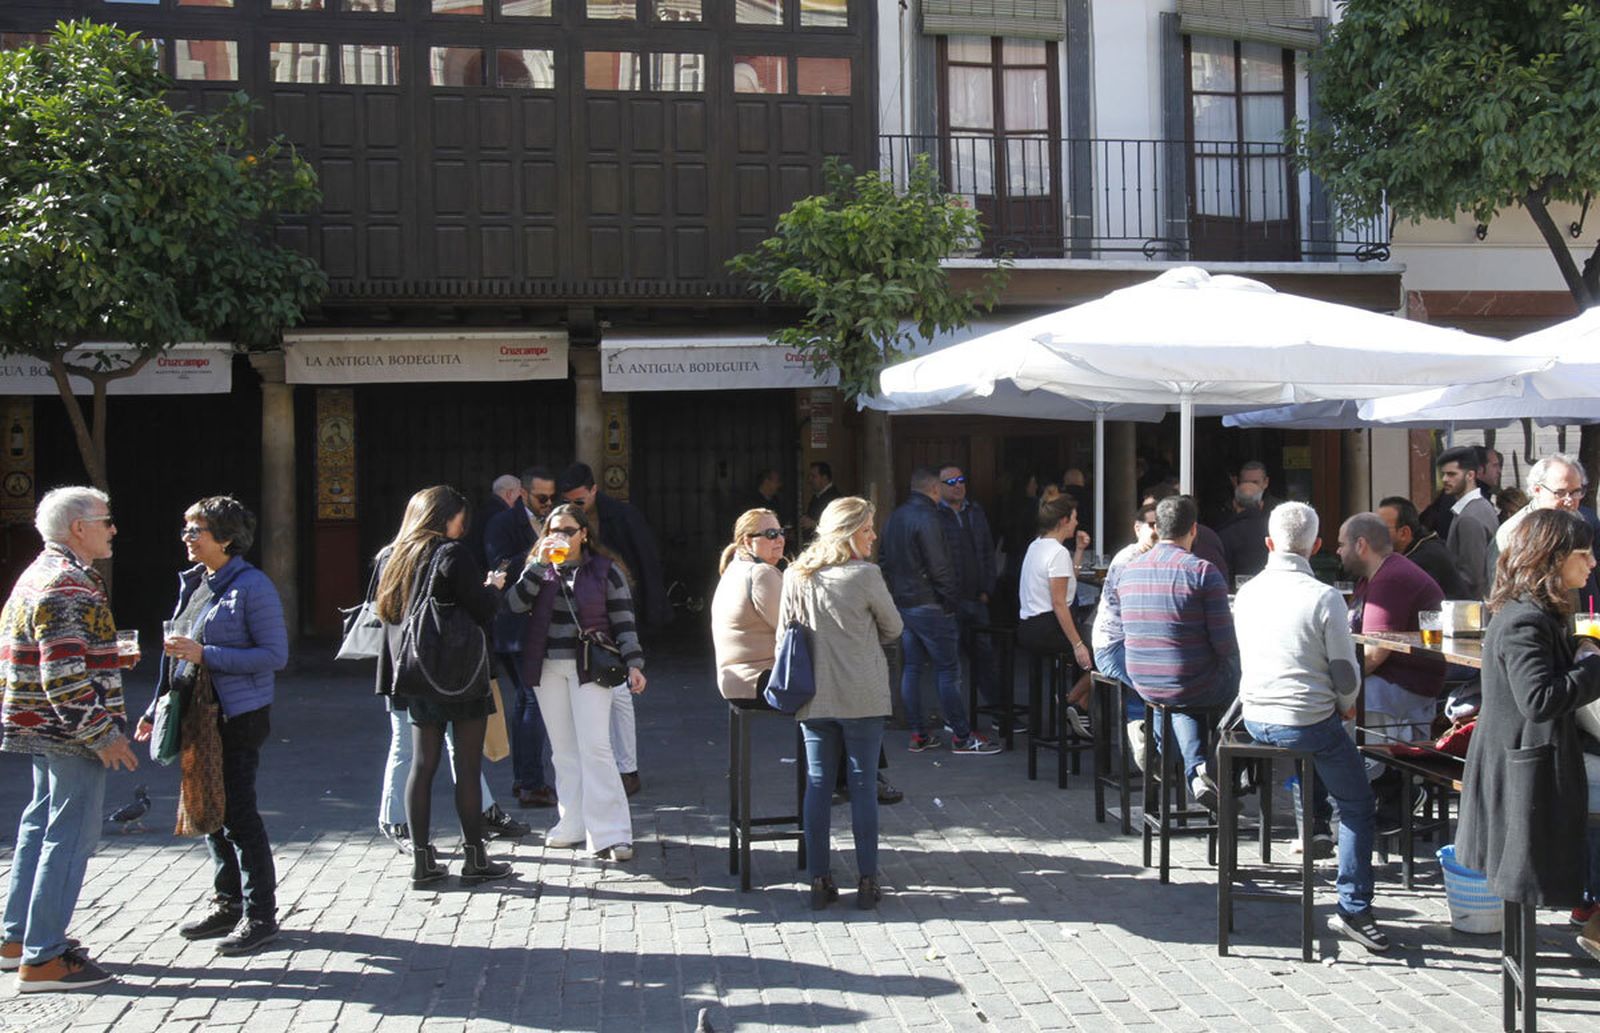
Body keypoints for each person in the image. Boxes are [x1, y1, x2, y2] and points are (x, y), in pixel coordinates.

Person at [131, 497, 288, 954]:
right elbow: (174, 653)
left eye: (195, 530)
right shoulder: (198, 583)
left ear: (225, 538)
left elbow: (274, 656)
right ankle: (228, 903)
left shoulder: (253, 587)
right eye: (185, 529)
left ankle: (261, 915)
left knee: (238, 814)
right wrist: (155, 707)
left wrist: (207, 656)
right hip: (196, 714)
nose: (186, 538)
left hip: (236, 716)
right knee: (209, 814)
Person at [1233, 502, 1387, 953]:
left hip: (1257, 716)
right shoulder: (1323, 597)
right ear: (1316, 546)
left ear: (1268, 544)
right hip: (1307, 720)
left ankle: (1308, 827)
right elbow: (1344, 674)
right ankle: (1354, 907)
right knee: (1357, 806)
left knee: (1316, 753)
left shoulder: (1247, 593)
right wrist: (1347, 705)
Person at [2, 487, 138, 992]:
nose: (113, 529)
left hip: (36, 725)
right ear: (78, 527)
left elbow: (52, 657)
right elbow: (62, 675)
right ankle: (44, 959)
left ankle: (18, 938)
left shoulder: (37, 572)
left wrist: (106, 659)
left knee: (40, 826)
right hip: (68, 730)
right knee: (68, 835)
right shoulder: (67, 583)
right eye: (106, 520)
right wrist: (103, 734)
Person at [1458, 509, 1600, 955]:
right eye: (1584, 554)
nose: (1592, 563)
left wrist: (1578, 650)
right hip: (1524, 779)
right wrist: (1594, 667)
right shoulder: (1525, 619)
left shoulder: (1537, 613)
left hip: (1528, 766)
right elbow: (1538, 699)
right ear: (1554, 559)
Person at [712, 510, 902, 805]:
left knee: (833, 681)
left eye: (781, 532)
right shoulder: (761, 574)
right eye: (770, 535)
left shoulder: (735, 570)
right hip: (760, 681)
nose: (779, 540)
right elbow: (797, 629)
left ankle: (849, 776)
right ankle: (853, 779)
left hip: (740, 680)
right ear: (747, 541)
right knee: (843, 684)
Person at [373, 486, 513, 888]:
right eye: (459, 517)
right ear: (444, 517)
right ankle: (474, 857)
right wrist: (494, 587)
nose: (462, 525)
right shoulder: (451, 553)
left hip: (417, 672)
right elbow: (482, 608)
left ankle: (422, 860)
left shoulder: (393, 555)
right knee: (467, 765)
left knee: (421, 764)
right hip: (459, 673)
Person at [779, 497, 903, 910]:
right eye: (867, 528)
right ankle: (867, 882)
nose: (873, 535)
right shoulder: (866, 575)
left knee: (817, 784)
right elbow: (894, 627)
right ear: (850, 532)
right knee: (864, 785)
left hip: (814, 694)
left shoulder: (797, 575)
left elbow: (784, 633)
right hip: (863, 695)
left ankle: (819, 880)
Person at [506, 503, 646, 861]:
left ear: (584, 533)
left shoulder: (605, 570)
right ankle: (571, 822)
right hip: (548, 667)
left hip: (590, 667)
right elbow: (516, 604)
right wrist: (539, 565)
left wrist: (634, 664)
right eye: (553, 530)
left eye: (568, 530)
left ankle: (613, 833)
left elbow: (624, 622)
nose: (560, 537)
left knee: (596, 747)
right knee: (563, 749)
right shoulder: (539, 569)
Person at [1107, 495, 1238, 809]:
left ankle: (1196, 770)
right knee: (1248, 680)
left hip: (1142, 679)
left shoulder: (1130, 568)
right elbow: (1225, 645)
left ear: (1156, 528)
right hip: (1188, 680)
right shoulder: (1203, 571)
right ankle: (1236, 773)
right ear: (1194, 530)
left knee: (1183, 695)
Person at [558, 462, 663, 796]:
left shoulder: (622, 516)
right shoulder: (566, 523)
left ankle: (627, 768)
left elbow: (645, 561)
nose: (575, 507)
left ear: (593, 491)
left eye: (579, 501)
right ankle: (605, 766)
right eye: (569, 501)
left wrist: (650, 610)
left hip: (615, 609)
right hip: (580, 614)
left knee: (619, 696)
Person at [879, 467, 1000, 755]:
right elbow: (940, 565)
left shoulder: (895, 517)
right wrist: (949, 601)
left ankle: (919, 734)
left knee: (911, 668)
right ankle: (961, 736)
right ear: (935, 490)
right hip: (931, 604)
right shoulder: (929, 517)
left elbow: (884, 559)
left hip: (905, 603)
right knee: (948, 671)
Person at [484, 465, 557, 809]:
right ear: (523, 494)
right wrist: (538, 553)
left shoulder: (553, 521)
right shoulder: (503, 523)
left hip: (541, 623)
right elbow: (498, 566)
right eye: (542, 498)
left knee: (527, 701)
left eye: (551, 497)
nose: (548, 503)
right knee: (532, 700)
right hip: (515, 624)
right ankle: (530, 783)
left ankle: (524, 780)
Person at [1017, 494, 1095, 733]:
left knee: (1098, 647)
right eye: (1074, 518)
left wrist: (1080, 550)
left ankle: (1080, 706)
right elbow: (1060, 603)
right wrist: (1078, 644)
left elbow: (1066, 580)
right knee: (1109, 651)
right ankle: (1073, 699)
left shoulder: (1037, 545)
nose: (1076, 523)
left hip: (1029, 626)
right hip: (1049, 627)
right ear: (1063, 520)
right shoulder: (1058, 552)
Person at [1092, 502, 1159, 765]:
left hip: (1134, 645)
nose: (1156, 530)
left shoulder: (1156, 558)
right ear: (1137, 528)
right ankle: (1147, 742)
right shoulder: (1128, 560)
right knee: (1158, 683)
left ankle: (1153, 746)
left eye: (1160, 525)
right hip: (1114, 645)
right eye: (1152, 525)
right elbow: (1136, 614)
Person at [1490, 453, 1600, 608]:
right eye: (1560, 493)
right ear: (1537, 490)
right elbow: (1503, 588)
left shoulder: (1578, 518)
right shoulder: (1515, 531)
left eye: (1576, 492)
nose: (1569, 500)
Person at [935, 464, 1001, 711]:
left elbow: (987, 550)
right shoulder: (934, 514)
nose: (958, 485)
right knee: (951, 664)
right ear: (938, 487)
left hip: (977, 598)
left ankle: (997, 713)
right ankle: (956, 719)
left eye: (961, 480)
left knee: (986, 658)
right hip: (949, 602)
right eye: (950, 482)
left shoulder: (975, 511)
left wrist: (987, 588)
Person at [1376, 496, 1468, 598]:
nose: (1374, 533)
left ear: (1404, 533)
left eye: (1381, 528)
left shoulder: (1427, 558)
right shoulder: (1415, 548)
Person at [1437, 445, 1498, 598]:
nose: (1445, 479)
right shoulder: (1481, 506)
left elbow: (1472, 578)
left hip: (1471, 609)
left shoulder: (1470, 516)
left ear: (1470, 475)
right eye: (1443, 474)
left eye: (1452, 474)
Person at [1217, 483, 1270, 582]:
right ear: (1261, 504)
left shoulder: (1224, 534)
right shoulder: (1274, 532)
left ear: (1234, 503)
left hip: (1234, 594)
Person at [800, 461, 841, 539]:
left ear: (824, 478)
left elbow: (837, 525)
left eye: (813, 476)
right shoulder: (817, 496)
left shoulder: (835, 498)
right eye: (809, 476)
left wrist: (813, 524)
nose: (809, 480)